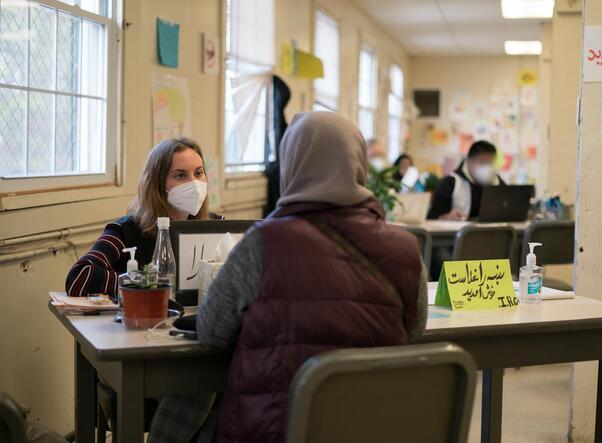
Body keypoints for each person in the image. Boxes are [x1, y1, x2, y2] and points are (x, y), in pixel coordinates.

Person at [148, 112, 428, 443]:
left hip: (276, 429)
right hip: (372, 427)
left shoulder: (263, 243)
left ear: (290, 164)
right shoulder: (405, 247)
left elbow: (210, 331)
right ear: (359, 165)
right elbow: (414, 330)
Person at [65, 138, 218, 297]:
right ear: (157, 184)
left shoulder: (216, 226)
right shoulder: (124, 231)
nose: (194, 183)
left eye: (199, 173)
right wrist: (148, 283)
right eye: (180, 175)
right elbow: (79, 277)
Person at [428, 140, 504, 220]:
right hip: (458, 231)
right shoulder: (449, 183)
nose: (487, 167)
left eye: (491, 163)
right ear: (469, 161)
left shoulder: (497, 181)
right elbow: (432, 218)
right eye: (483, 162)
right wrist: (446, 217)